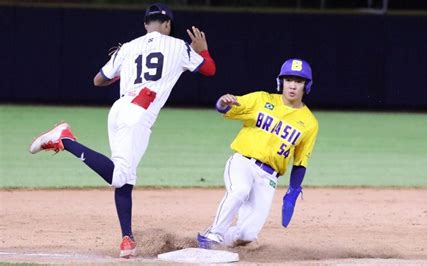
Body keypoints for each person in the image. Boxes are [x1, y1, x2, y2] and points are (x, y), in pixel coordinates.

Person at [29, 3, 216, 258]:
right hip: (138, 115)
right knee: (119, 176)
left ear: (145, 25)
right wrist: (203, 51)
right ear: (168, 25)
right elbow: (209, 70)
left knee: (126, 178)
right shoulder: (179, 46)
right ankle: (65, 139)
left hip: (118, 111)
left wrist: (123, 69)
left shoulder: (128, 47)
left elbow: (98, 80)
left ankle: (127, 240)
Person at [197, 58, 318, 249]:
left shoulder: (310, 122)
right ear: (281, 82)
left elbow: (301, 161)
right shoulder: (262, 100)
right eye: (288, 80)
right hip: (243, 162)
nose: (292, 85)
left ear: (306, 86)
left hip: (269, 177)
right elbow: (228, 107)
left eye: (299, 81)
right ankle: (214, 234)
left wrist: (293, 192)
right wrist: (223, 102)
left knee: (247, 235)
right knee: (240, 190)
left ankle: (218, 241)